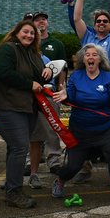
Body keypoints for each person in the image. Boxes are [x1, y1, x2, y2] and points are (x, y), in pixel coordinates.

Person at [50, 44, 110, 205]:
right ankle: (59, 181)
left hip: (106, 128)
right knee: (73, 166)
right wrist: (65, 95)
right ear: (83, 59)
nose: (91, 57)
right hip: (81, 131)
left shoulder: (108, 77)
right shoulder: (76, 76)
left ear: (100, 59)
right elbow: (70, 97)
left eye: (95, 55)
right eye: (88, 55)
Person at [0, 19, 52, 209]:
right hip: (8, 106)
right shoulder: (8, 49)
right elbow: (3, 73)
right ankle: (14, 192)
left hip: (28, 108)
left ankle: (12, 186)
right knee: (19, 147)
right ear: (17, 32)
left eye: (32, 33)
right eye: (25, 32)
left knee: (14, 148)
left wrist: (48, 71)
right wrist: (29, 84)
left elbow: (38, 75)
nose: (29, 35)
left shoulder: (33, 53)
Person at [28, 10, 67, 182]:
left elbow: (63, 69)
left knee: (52, 127)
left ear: (47, 23)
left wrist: (61, 90)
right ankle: (30, 162)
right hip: (31, 95)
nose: (41, 22)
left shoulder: (56, 44)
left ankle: (53, 159)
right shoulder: (26, 43)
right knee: (32, 131)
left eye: (44, 19)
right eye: (37, 20)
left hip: (50, 93)